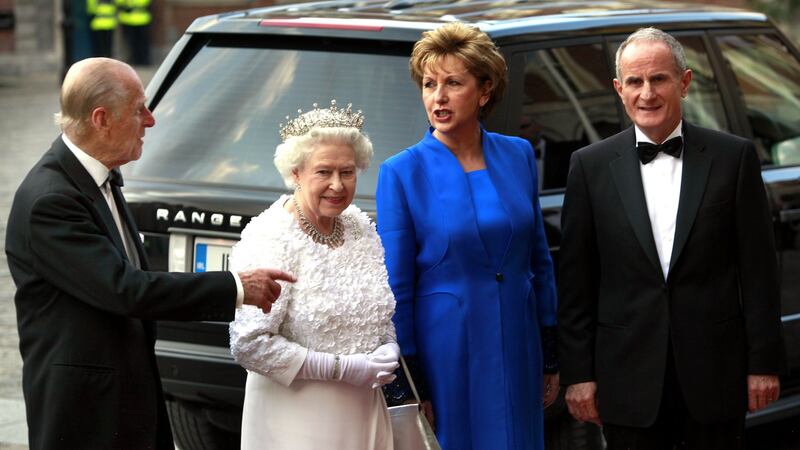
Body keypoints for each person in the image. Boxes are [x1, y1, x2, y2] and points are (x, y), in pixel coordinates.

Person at [4, 57, 294, 450]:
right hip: (85, 411)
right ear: (101, 118)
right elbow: (126, 290)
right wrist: (237, 288)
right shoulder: (51, 200)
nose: (151, 120)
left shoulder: (98, 176)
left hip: (125, 395)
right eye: (139, 109)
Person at [558, 27, 786, 449]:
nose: (647, 93)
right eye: (635, 81)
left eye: (659, 78)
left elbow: (759, 273)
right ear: (619, 89)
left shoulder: (733, 158)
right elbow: (576, 285)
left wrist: (764, 365)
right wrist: (579, 374)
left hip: (714, 378)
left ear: (684, 82)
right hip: (626, 381)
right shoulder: (589, 168)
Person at [376, 22, 559, 450]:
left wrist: (550, 352)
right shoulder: (401, 172)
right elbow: (395, 288)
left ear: (484, 90)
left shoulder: (517, 154)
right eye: (428, 84)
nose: (437, 96)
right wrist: (409, 383)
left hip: (519, 343)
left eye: (453, 83)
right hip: (446, 354)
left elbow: (539, 260)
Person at [229, 100, 400, 449]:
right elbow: (249, 344)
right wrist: (339, 368)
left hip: (362, 410)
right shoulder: (272, 236)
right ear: (296, 172)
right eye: (324, 172)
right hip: (295, 418)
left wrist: (388, 344)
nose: (338, 185)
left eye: (348, 172)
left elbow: (376, 306)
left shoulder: (358, 227)